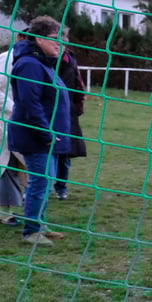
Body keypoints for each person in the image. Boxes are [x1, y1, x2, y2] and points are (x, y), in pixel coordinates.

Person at [8, 15, 71, 246]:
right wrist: (46, 134)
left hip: (50, 138)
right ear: (38, 38)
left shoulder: (43, 63)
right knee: (39, 182)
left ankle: (40, 224)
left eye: (62, 39)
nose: (59, 44)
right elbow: (30, 104)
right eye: (55, 38)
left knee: (47, 181)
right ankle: (31, 231)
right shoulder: (29, 65)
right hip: (37, 138)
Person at [53, 28, 86, 200]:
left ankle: (61, 186)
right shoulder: (43, 61)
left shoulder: (70, 60)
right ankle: (40, 185)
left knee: (65, 153)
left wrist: (77, 106)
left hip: (67, 114)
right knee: (47, 152)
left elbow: (78, 84)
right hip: (49, 111)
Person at [0, 30, 27, 226]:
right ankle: (5, 212)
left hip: (21, 121)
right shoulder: (6, 60)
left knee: (19, 164)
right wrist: (14, 108)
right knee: (5, 163)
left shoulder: (31, 62)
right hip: (5, 120)